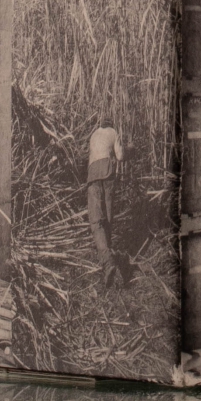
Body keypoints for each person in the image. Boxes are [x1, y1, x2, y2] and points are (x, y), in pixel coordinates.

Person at [85, 113, 126, 286]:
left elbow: (90, 156)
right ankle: (110, 259)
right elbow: (120, 156)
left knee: (96, 220)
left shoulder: (94, 135)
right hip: (108, 173)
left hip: (93, 175)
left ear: (101, 124)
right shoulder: (114, 132)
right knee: (108, 217)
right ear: (111, 124)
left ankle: (107, 259)